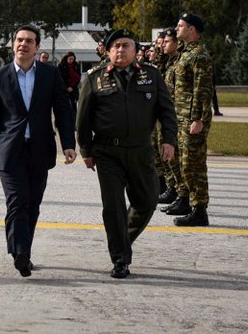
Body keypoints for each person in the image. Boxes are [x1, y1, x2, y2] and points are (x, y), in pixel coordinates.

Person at [76, 29, 178, 279]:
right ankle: (120, 259)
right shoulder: (93, 78)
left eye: (125, 45)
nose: (120, 50)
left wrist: (169, 140)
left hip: (141, 150)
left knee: (147, 201)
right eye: (115, 46)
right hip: (107, 152)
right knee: (114, 206)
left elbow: (166, 111)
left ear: (135, 50)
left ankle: (121, 239)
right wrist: (86, 150)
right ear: (108, 52)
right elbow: (82, 119)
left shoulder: (151, 76)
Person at [0, 24, 76, 278]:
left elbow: (63, 111)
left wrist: (68, 143)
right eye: (19, 40)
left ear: (37, 47)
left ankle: (25, 252)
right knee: (17, 201)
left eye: (29, 41)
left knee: (32, 205)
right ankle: (20, 252)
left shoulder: (50, 74)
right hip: (9, 151)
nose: (23, 44)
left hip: (40, 150)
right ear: (13, 44)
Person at [171, 13, 215, 227]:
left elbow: (202, 89)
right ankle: (189, 203)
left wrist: (198, 119)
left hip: (192, 119)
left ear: (192, 30)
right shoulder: (184, 53)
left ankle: (200, 211)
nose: (176, 28)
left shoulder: (199, 55)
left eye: (180, 26)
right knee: (183, 163)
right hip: (181, 117)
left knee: (193, 165)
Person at [157, 27, 188, 210]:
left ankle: (182, 194)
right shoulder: (169, 62)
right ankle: (174, 189)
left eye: (166, 42)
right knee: (169, 156)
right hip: (169, 115)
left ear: (176, 43)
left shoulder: (179, 62)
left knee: (177, 158)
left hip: (178, 117)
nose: (162, 46)